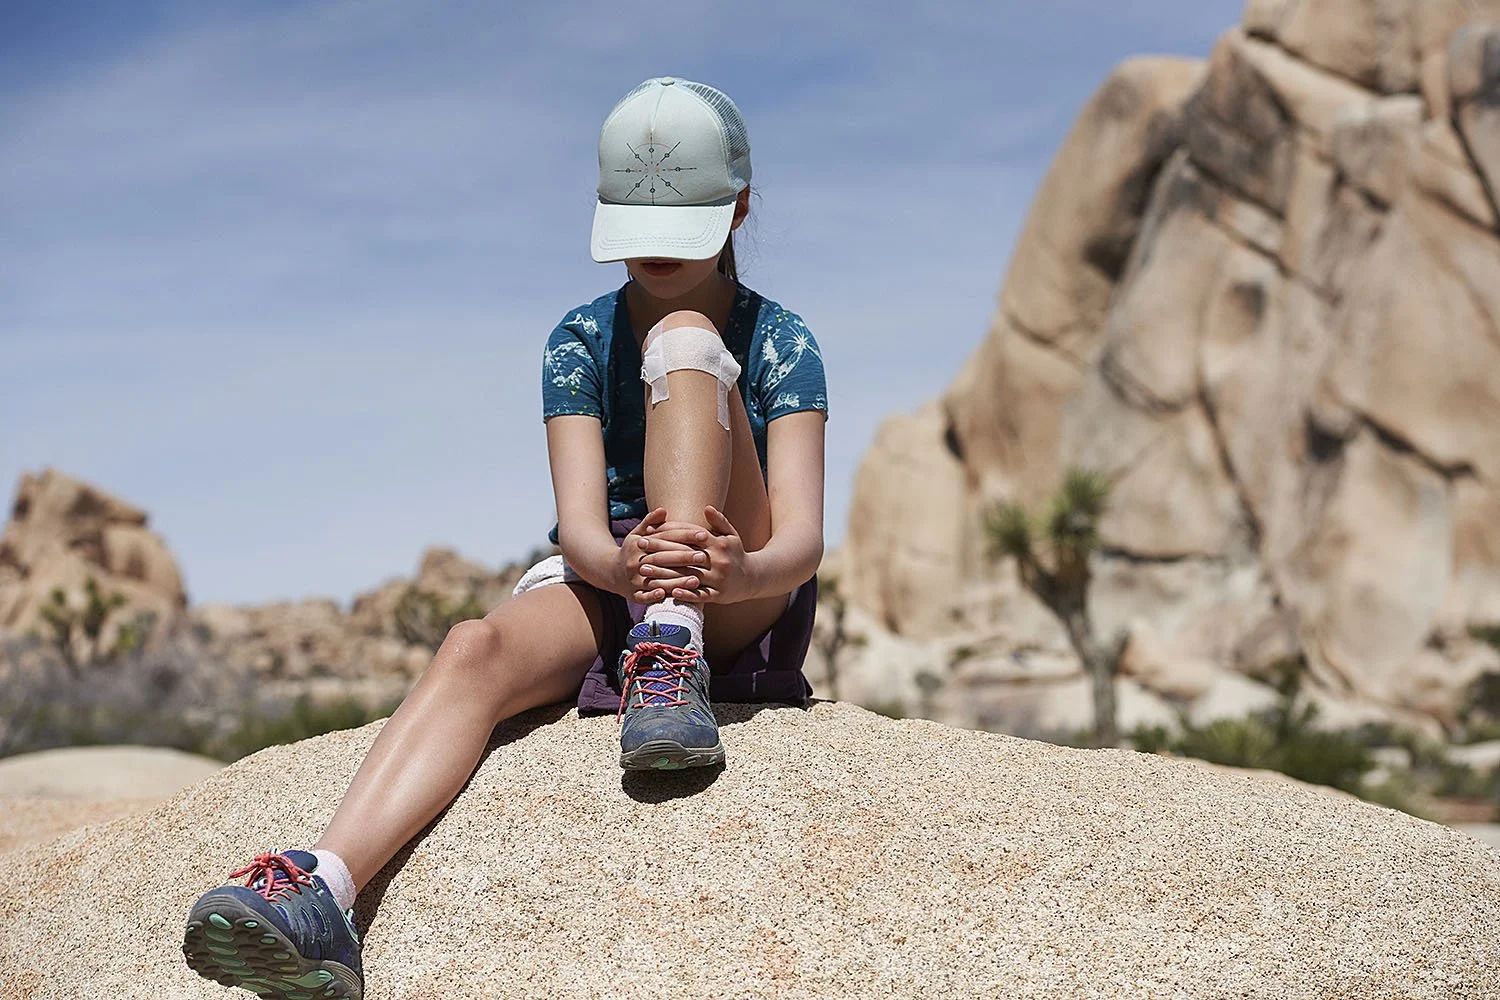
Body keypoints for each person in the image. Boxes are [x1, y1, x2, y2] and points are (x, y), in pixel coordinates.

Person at [181, 75, 828, 1000]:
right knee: (473, 646)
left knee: (686, 337)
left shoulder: (781, 339)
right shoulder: (576, 339)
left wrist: (732, 570)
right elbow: (578, 528)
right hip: (617, 568)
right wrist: (623, 566)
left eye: (678, 230)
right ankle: (327, 893)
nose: (652, 258)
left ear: (740, 209)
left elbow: (802, 540)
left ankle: (674, 645)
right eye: (637, 234)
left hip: (740, 576)